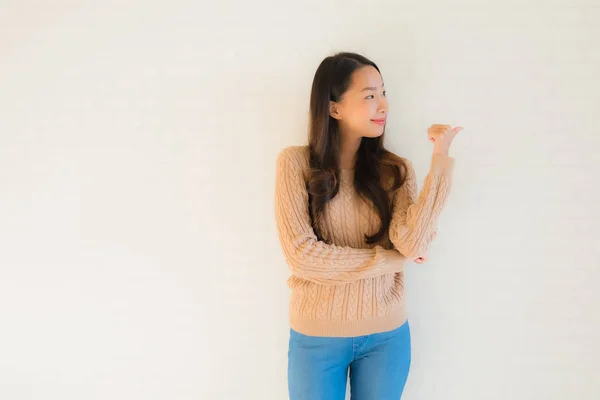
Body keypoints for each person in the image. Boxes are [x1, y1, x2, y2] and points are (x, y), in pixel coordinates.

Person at [274, 51, 463, 400]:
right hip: (317, 336)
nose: (384, 106)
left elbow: (413, 244)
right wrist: (390, 261)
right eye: (370, 96)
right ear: (334, 108)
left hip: (386, 336)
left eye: (384, 93)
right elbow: (302, 256)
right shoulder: (295, 163)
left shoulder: (395, 169)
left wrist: (440, 160)